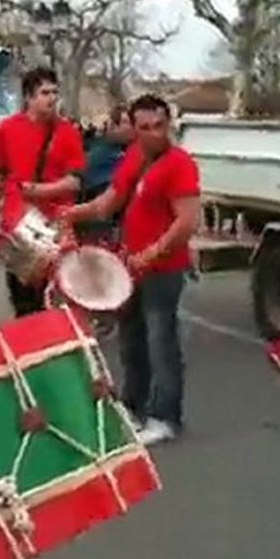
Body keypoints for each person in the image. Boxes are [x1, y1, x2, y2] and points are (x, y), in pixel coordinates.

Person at [61, 94, 200, 446]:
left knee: (161, 342)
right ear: (134, 129)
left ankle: (166, 416)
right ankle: (133, 407)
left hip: (163, 269)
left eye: (159, 126)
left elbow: (186, 222)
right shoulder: (137, 158)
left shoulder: (179, 164)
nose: (153, 133)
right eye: (145, 128)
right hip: (132, 266)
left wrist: (152, 253)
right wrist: (70, 215)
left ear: (168, 124)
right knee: (131, 341)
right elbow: (110, 200)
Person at [0, 66, 85, 317]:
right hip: (17, 221)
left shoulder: (68, 132)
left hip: (54, 225)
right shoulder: (6, 129)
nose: (52, 98)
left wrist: (39, 191)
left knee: (50, 299)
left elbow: (74, 182)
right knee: (21, 297)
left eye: (55, 92)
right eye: (44, 93)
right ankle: (25, 346)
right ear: (28, 97)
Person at [75, 103, 135, 246]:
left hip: (107, 214)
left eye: (125, 122)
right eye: (115, 120)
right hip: (83, 203)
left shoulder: (134, 154)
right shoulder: (92, 141)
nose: (115, 125)